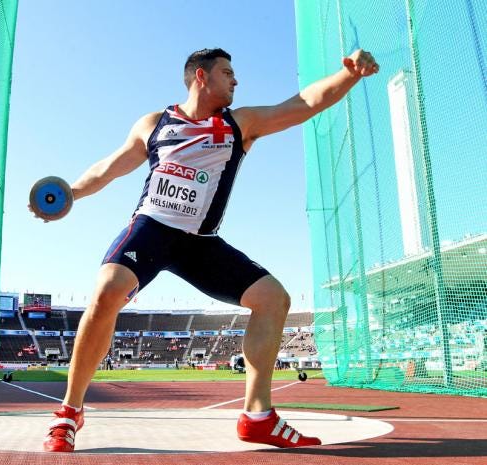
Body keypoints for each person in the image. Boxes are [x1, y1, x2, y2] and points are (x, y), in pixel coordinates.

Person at [36, 47, 379, 452]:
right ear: (201, 76)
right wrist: (71, 192)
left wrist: (350, 76)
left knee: (273, 299)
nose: (236, 81)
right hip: (151, 231)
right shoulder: (154, 125)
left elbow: (302, 104)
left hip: (200, 243)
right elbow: (108, 168)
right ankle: (69, 414)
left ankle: (257, 416)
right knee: (108, 289)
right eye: (227, 72)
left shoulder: (240, 124)